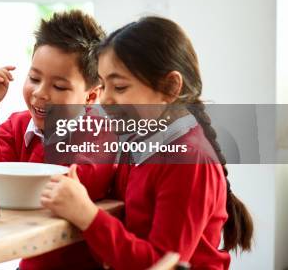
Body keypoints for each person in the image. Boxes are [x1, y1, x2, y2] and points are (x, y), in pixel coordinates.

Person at [40, 16, 253, 270]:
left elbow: (162, 265)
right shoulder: (138, 146)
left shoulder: (188, 159)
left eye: (119, 87)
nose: (105, 99)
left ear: (170, 87)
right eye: (104, 84)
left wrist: (87, 214)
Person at [0, 10, 115, 269]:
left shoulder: (100, 134)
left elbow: (52, 186)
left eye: (59, 87)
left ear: (91, 97)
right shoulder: (18, 125)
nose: (40, 93)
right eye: (34, 78)